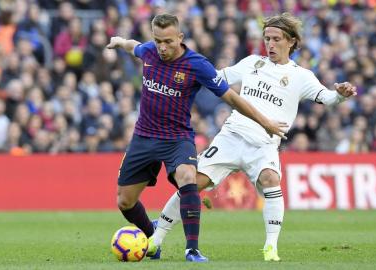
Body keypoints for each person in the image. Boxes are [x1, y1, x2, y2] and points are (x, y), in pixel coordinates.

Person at [151, 12, 357, 262]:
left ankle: (271, 247)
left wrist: (341, 95)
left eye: (276, 39)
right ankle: (156, 239)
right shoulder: (251, 63)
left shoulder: (301, 76)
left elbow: (327, 98)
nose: (269, 44)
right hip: (231, 136)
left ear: (291, 41)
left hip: (264, 144)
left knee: (271, 178)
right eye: (266, 38)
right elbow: (216, 78)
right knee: (191, 183)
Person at [105, 14, 287, 263]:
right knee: (125, 201)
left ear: (180, 38)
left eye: (168, 41)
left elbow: (231, 98)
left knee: (188, 177)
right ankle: (152, 237)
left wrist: (265, 122)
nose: (162, 47)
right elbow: (132, 46)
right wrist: (119, 41)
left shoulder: (197, 65)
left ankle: (192, 250)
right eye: (158, 41)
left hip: (177, 138)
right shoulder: (149, 51)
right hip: (144, 137)